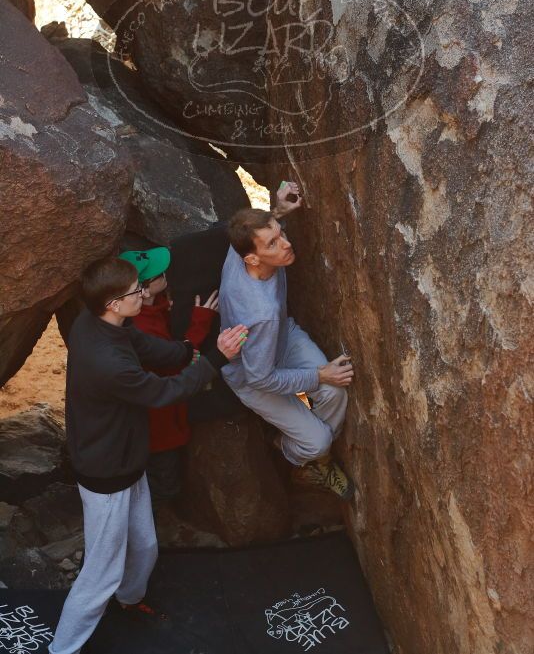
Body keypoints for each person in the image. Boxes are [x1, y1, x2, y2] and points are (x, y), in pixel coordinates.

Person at [49, 256, 247, 654]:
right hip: (106, 474)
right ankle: (62, 649)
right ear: (113, 303)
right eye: (135, 290)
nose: (144, 293)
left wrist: (187, 349)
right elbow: (162, 393)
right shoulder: (108, 363)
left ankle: (130, 597)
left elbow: (148, 347)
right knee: (100, 574)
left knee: (144, 546)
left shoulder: (103, 322)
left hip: (126, 459)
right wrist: (214, 359)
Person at [218, 192, 355, 500]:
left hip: (282, 337)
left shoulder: (239, 247)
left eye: (281, 235)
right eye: (273, 244)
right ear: (252, 259)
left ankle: (313, 455)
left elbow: (251, 233)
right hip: (252, 377)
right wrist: (319, 376)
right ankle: (295, 454)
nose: (286, 244)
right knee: (318, 440)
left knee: (336, 391)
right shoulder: (260, 312)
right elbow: (260, 379)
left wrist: (277, 212)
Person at [118, 246, 219, 510]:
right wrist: (200, 322)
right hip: (158, 423)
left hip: (155, 417)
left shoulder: (141, 313)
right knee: (164, 481)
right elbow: (176, 361)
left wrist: (167, 307)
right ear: (143, 290)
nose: (165, 274)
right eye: (158, 273)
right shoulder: (141, 330)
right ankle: (153, 527)